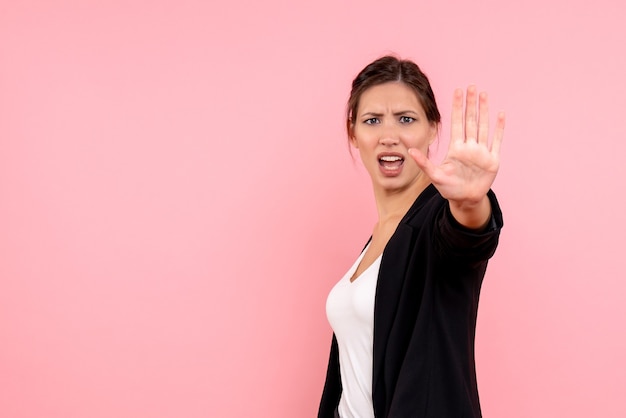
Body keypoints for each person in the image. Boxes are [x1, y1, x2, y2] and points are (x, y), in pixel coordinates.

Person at [319, 55, 505, 418]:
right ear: (353, 132)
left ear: (434, 128)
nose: (389, 136)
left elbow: (468, 238)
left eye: (406, 119)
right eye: (373, 120)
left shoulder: (437, 216)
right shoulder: (375, 240)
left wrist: (470, 201)